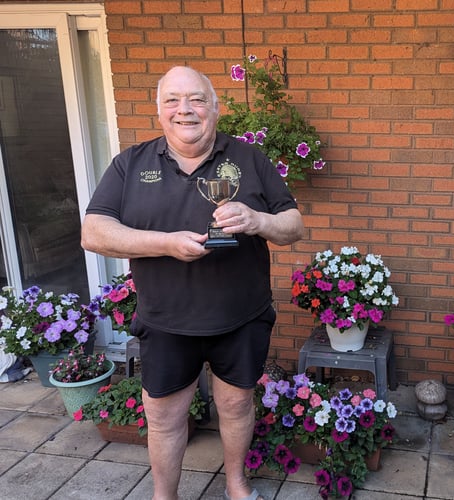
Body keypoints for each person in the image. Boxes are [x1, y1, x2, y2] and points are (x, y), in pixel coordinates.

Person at [81, 66, 304, 500]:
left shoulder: (249, 159)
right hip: (165, 320)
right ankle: (165, 495)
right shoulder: (131, 164)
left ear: (216, 108)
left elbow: (293, 225)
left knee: (237, 406)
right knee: (164, 416)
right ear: (160, 110)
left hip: (241, 315)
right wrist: (164, 243)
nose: (185, 109)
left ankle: (236, 483)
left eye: (197, 99)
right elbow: (94, 232)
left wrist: (258, 220)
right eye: (173, 100)